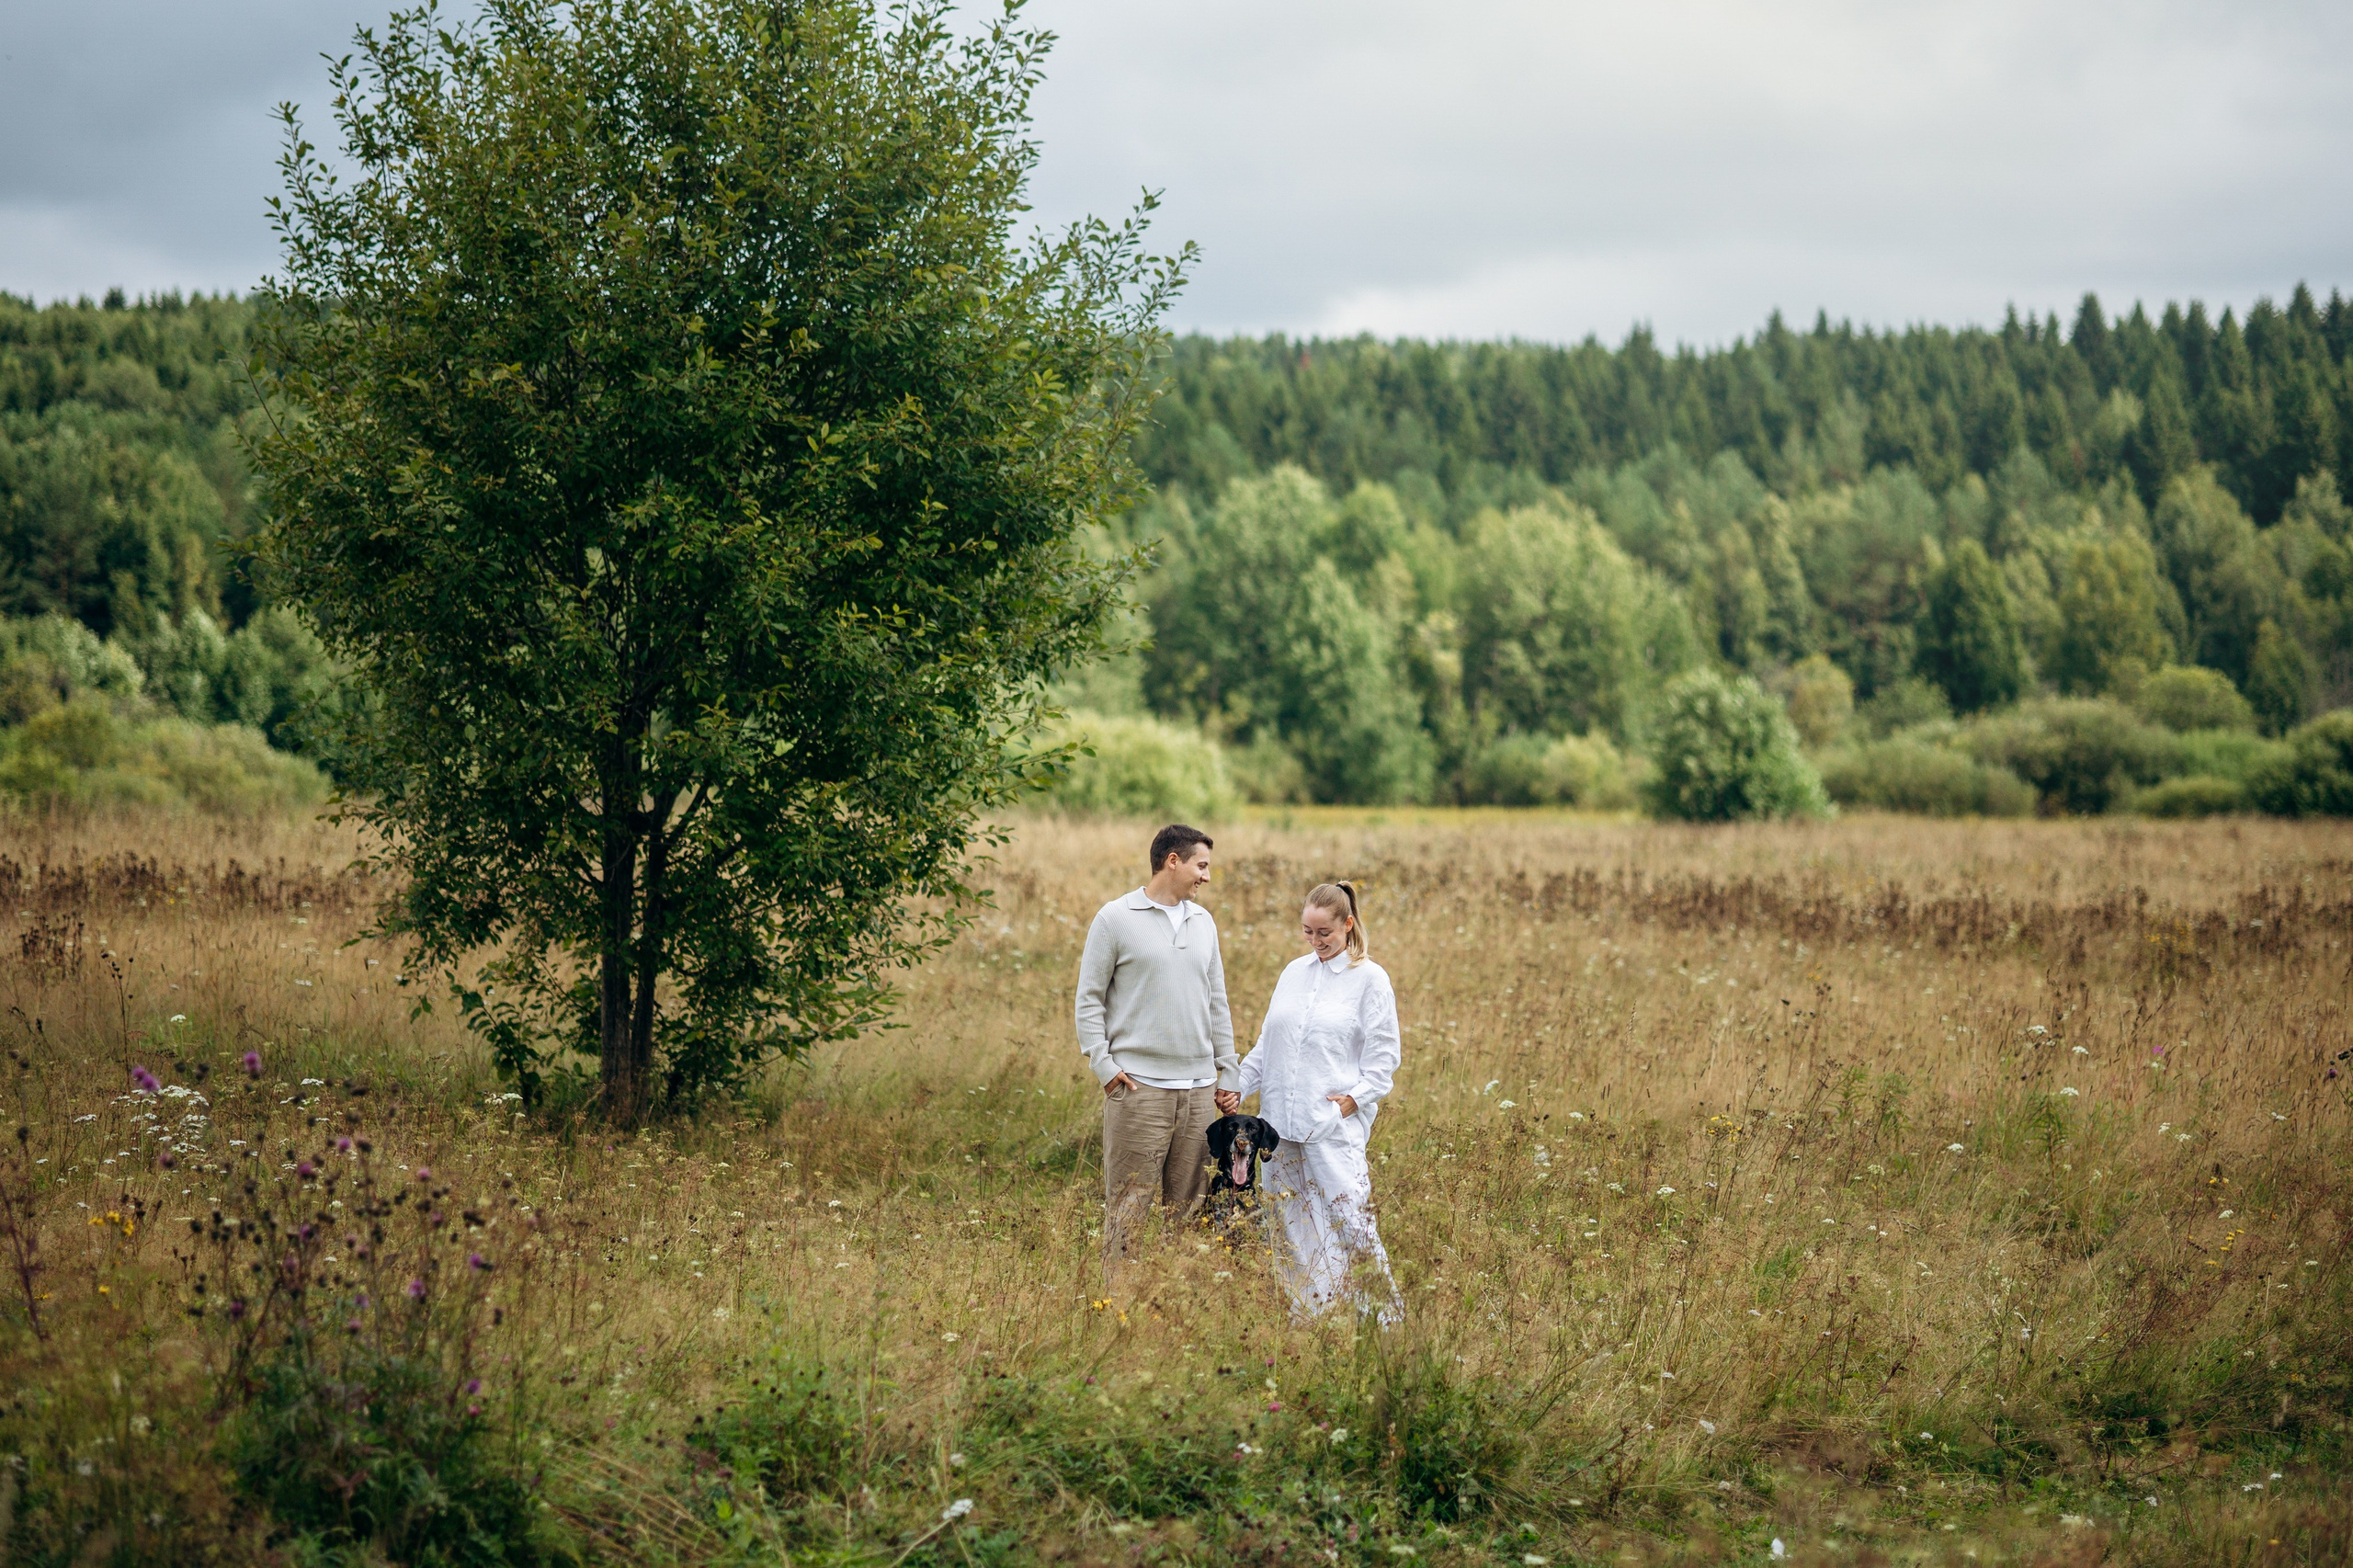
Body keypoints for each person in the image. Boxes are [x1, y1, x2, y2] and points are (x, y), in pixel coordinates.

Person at [1074, 824, 1239, 1286]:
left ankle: (1173, 1307)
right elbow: (1088, 1000)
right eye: (1201, 865)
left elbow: (1217, 1003)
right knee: (1129, 1207)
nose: (1206, 876)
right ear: (1173, 860)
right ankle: (1117, 1307)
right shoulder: (1114, 918)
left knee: (1187, 1211)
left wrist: (1228, 1072)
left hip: (1198, 1091)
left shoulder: (1202, 922)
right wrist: (1105, 1068)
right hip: (1138, 1089)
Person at [1233, 880, 1403, 1322]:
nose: (1315, 942)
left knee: (1352, 1222)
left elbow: (1383, 1060)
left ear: (1348, 925)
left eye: (1323, 933)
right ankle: (1310, 1315)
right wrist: (1237, 1083)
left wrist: (1350, 1102)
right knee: (1288, 1221)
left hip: (1330, 1125)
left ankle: (1384, 1323)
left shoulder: (1370, 978)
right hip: (1278, 1125)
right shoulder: (1293, 973)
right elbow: (1266, 1046)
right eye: (1307, 932)